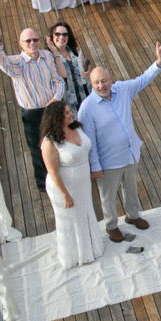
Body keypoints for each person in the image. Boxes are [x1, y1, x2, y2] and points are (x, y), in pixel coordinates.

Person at [78, 41, 161, 242]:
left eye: (104, 81)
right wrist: (95, 167)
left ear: (111, 79)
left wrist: (159, 62)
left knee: (131, 187)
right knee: (108, 197)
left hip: (130, 152)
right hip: (108, 161)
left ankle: (132, 215)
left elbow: (143, 79)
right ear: (91, 85)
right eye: (96, 83)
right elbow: (88, 141)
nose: (101, 86)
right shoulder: (87, 108)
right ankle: (111, 226)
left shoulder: (123, 89)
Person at [0, 22, 65, 191]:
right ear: (20, 44)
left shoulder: (46, 55)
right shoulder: (17, 63)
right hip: (32, 113)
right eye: (28, 41)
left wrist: (56, 99)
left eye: (35, 39)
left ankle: (62, 176)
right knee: (37, 149)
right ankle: (44, 184)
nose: (32, 43)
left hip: (52, 108)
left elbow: (58, 80)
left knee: (60, 142)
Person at [40, 101, 103, 268]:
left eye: (69, 111)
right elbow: (52, 172)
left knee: (85, 212)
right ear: (56, 118)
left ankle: (90, 248)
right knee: (71, 219)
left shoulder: (77, 127)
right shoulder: (50, 142)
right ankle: (74, 255)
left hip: (82, 182)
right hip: (64, 185)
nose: (70, 115)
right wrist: (65, 194)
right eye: (66, 113)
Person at [46, 21, 91, 110]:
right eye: (57, 34)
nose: (61, 37)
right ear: (52, 36)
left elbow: (86, 66)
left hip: (85, 96)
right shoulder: (49, 56)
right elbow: (61, 75)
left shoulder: (75, 51)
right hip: (67, 103)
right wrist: (54, 51)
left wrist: (87, 72)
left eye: (65, 34)